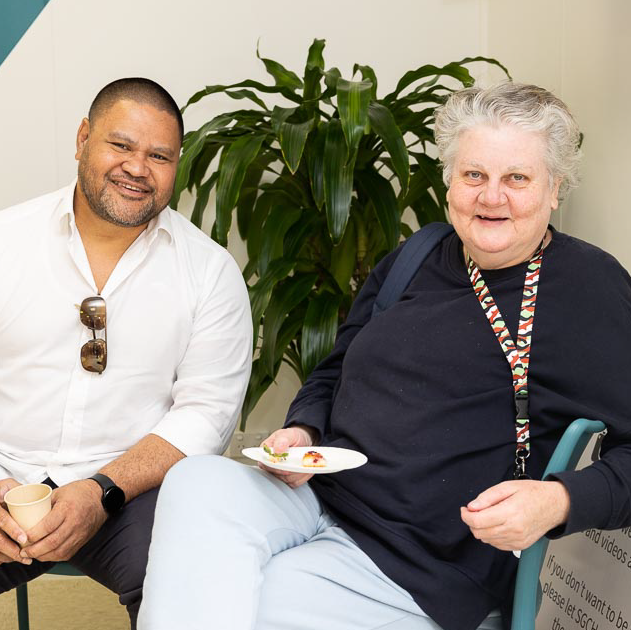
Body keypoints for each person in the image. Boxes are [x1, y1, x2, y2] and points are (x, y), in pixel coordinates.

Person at [137, 83, 631, 630]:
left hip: (416, 563)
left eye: (517, 178)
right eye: (474, 175)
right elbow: (333, 370)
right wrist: (303, 430)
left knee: (246, 597)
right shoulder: (418, 255)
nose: (492, 197)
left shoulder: (587, 290)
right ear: (449, 181)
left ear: (555, 188)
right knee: (195, 483)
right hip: (317, 497)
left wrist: (558, 502)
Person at [0, 78, 252, 627]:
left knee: (194, 582)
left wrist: (101, 491)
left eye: (158, 156)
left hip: (130, 493)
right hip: (6, 475)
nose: (138, 168)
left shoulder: (209, 273)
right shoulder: (6, 242)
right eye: (121, 146)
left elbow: (207, 412)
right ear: (82, 139)